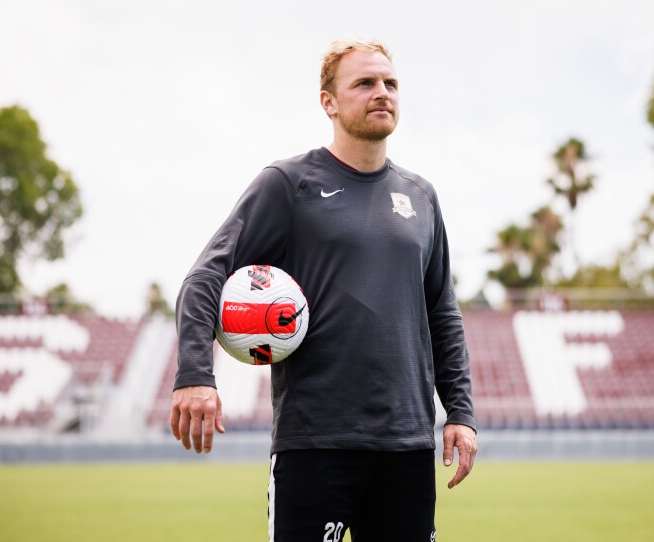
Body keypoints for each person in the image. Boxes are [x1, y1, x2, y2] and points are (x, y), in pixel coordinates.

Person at [170, 38, 476, 541]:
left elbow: (442, 311)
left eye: (390, 83)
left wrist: (460, 412)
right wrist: (195, 374)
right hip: (315, 444)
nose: (383, 93)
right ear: (328, 102)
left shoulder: (421, 196)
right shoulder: (289, 184)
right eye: (364, 83)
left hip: (407, 446)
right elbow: (206, 274)